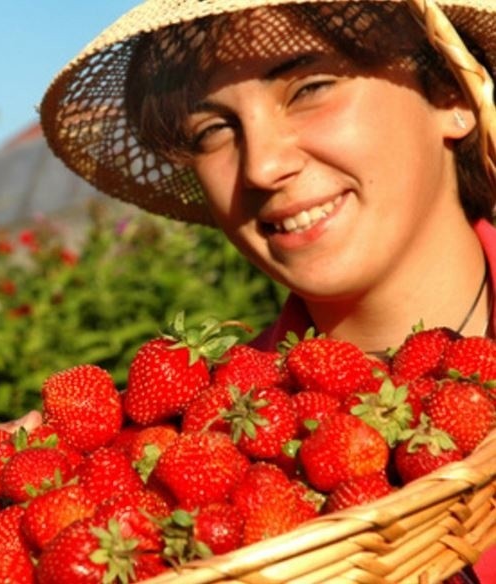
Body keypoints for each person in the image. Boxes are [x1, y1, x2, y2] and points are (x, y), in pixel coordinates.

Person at [36, 0, 496, 581]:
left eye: (310, 89)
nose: (261, 166)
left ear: (451, 94)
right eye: (212, 130)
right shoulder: (182, 456)